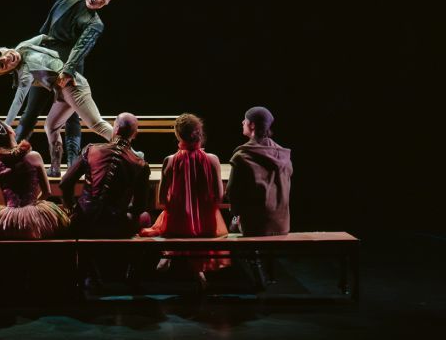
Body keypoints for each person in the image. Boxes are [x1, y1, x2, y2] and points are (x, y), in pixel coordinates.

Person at [0, 0, 123, 175]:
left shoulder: (95, 23)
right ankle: (15, 158)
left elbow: (80, 48)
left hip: (67, 70)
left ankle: (73, 166)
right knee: (35, 112)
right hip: (42, 65)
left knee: (76, 119)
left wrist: (66, 73)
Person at [0, 37, 115, 180]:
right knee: (51, 126)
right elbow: (18, 100)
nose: (6, 58)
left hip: (74, 87)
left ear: (1, 46)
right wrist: (7, 124)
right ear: (5, 71)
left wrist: (6, 125)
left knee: (96, 124)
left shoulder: (22, 46)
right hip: (61, 92)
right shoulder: (25, 71)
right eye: (2, 65)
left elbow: (41, 38)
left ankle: (131, 153)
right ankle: (55, 168)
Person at [140, 113, 229, 278]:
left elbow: (161, 200)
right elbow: (219, 196)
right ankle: (196, 267)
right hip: (206, 225)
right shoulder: (213, 160)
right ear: (200, 134)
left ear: (177, 135)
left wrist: (182, 205)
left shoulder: (170, 160)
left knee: (168, 216)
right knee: (202, 217)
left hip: (176, 225)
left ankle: (169, 253)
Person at [0, 121, 69, 239]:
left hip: (9, 217)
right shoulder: (34, 157)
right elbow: (47, 192)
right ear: (11, 131)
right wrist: (33, 207)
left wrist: (0, 211)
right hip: (34, 216)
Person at [61, 112, 150, 238]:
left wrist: (72, 209)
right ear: (135, 134)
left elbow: (65, 183)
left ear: (116, 128)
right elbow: (140, 207)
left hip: (83, 222)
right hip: (115, 227)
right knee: (145, 217)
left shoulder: (91, 150)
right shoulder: (140, 165)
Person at [226, 106, 292, 236]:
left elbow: (232, 193)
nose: (242, 122)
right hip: (282, 226)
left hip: (255, 227)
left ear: (252, 125)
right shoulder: (284, 155)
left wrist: (235, 217)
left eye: (245, 120)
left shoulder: (242, 157)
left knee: (232, 226)